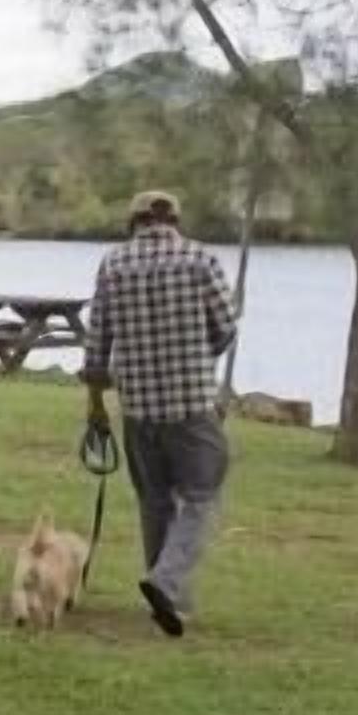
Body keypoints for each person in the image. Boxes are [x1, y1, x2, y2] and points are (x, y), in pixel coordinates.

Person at [80, 188, 238, 637]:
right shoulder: (201, 259)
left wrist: (95, 404)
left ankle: (169, 601)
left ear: (133, 222)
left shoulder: (113, 263)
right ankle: (166, 583)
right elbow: (226, 326)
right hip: (191, 404)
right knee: (202, 497)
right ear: (176, 220)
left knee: (154, 500)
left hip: (138, 407)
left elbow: (96, 344)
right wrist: (200, 354)